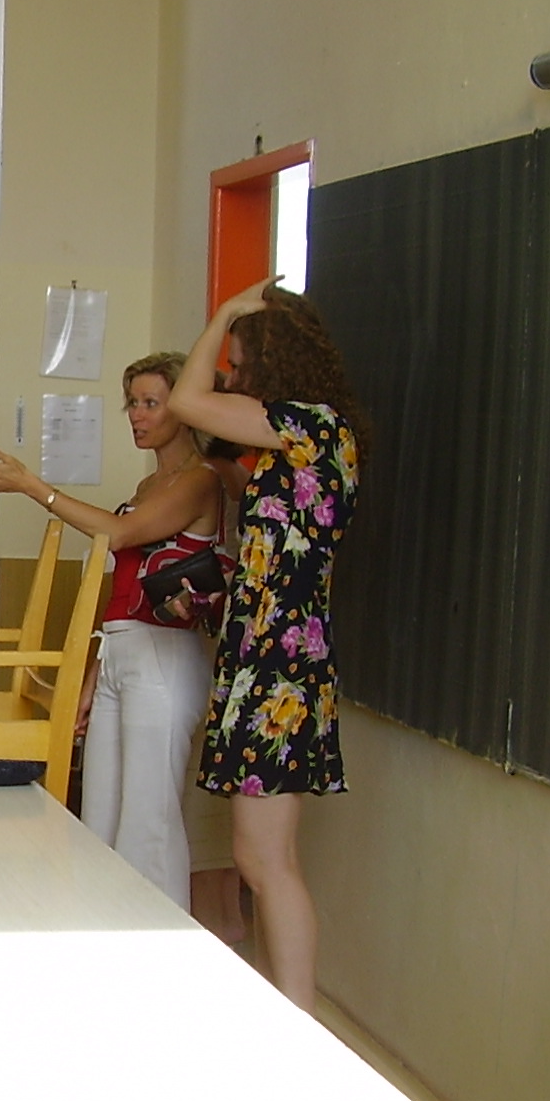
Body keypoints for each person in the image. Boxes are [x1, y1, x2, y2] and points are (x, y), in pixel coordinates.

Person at [165, 279, 366, 1012]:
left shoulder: (308, 424)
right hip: (269, 655)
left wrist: (223, 312)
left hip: (282, 665)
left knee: (266, 860)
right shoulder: (303, 435)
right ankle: (289, 1010)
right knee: (260, 856)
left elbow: (186, 401)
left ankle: (298, 1016)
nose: (231, 371)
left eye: (240, 358)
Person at [0, 352, 223, 909]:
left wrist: (33, 486)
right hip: (121, 648)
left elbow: (120, 536)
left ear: (183, 409)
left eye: (151, 403)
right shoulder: (149, 482)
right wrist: (92, 673)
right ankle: (102, 929)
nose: (137, 415)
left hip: (165, 655)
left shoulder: (201, 480)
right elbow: (121, 586)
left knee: (149, 820)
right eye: (132, 403)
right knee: (99, 815)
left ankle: (156, 938)